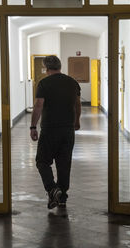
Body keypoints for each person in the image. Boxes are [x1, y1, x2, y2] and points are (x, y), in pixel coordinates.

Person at [30, 55, 81, 209]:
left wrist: (33, 126)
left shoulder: (44, 83)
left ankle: (52, 189)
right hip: (67, 130)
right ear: (60, 66)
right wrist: (77, 121)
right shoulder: (72, 83)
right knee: (64, 164)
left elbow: (38, 105)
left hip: (50, 130)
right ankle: (62, 197)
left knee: (42, 161)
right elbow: (77, 105)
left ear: (46, 68)